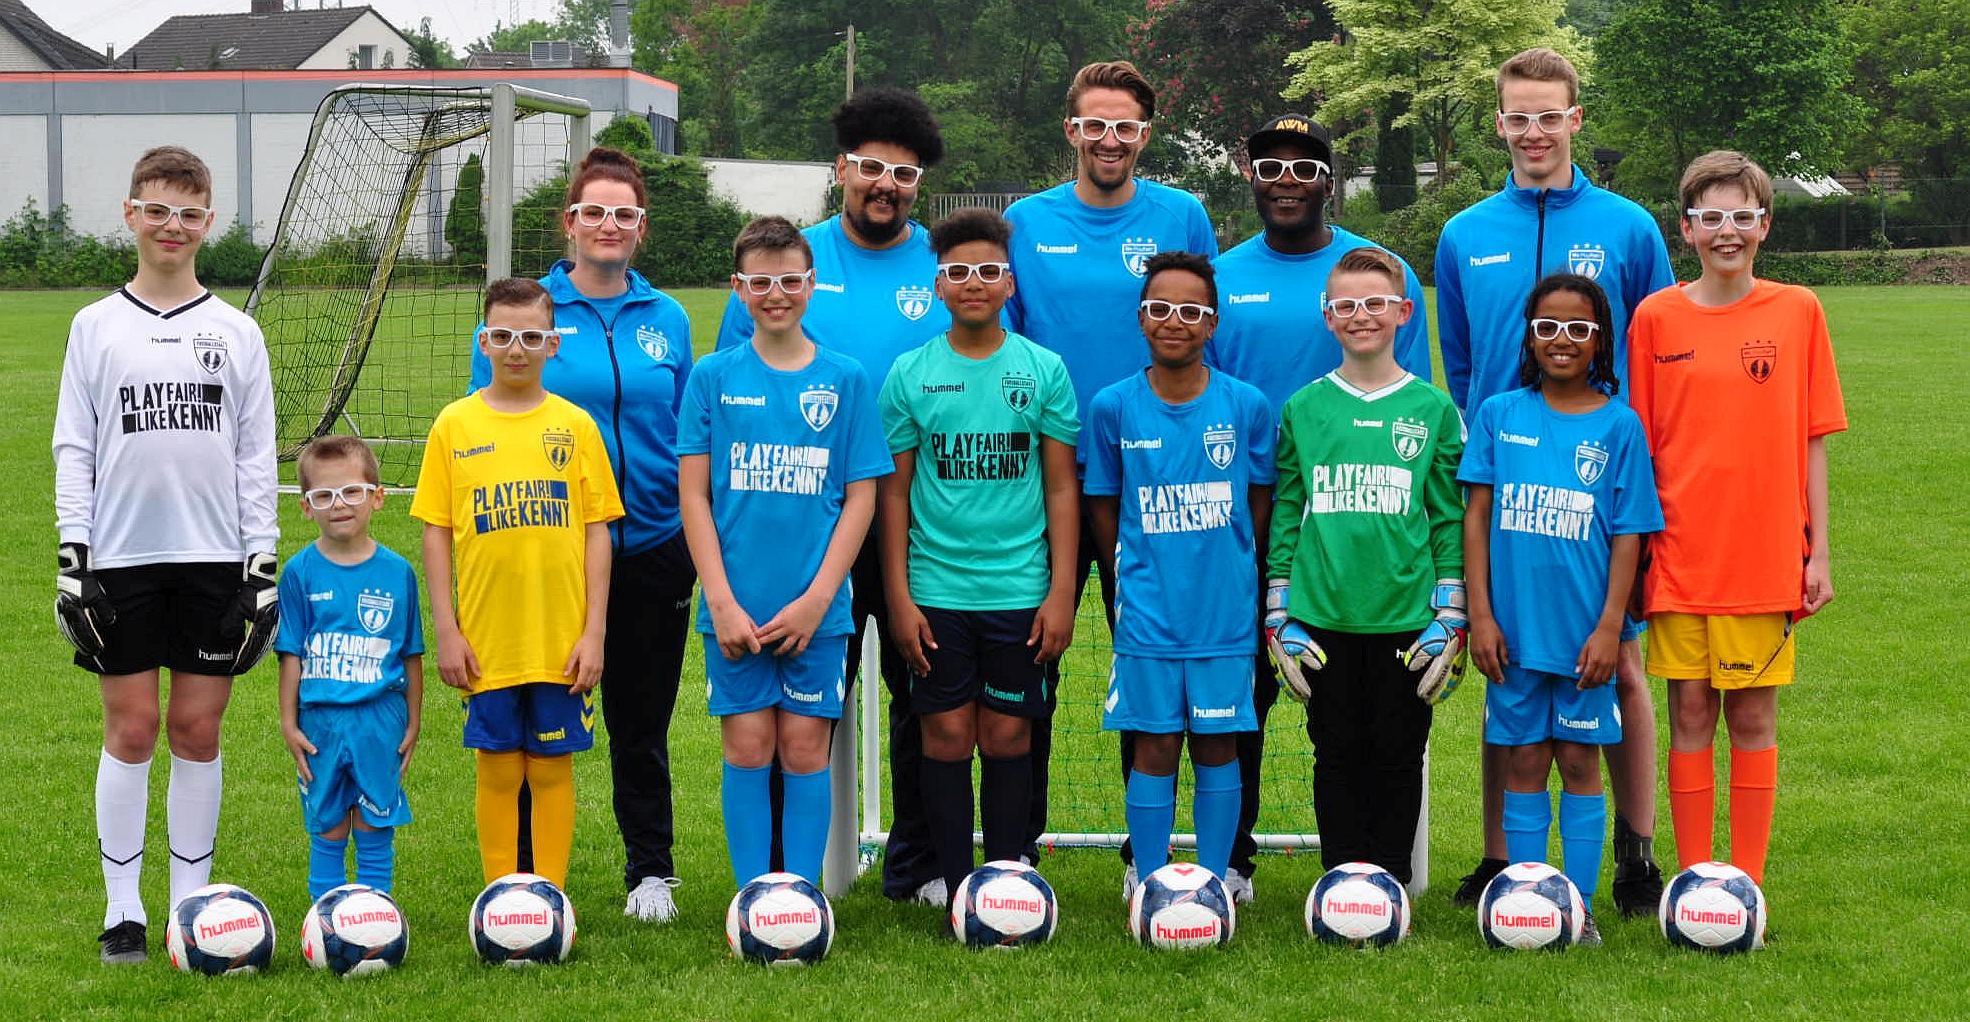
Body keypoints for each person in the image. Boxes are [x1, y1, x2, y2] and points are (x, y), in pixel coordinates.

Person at [1433, 47, 1676, 913]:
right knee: (1506, 669)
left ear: (1575, 119)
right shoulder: (1464, 234)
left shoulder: (1629, 227)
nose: (1533, 132)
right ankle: (1503, 859)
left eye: (1548, 116)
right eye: (1518, 117)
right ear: (1498, 124)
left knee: (1621, 664)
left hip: (1597, 485)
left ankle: (1635, 852)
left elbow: (1656, 347)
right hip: (1505, 485)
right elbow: (1464, 366)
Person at [713, 87, 950, 904]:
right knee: (792, 700)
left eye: (904, 174)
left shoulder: (941, 264)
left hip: (921, 521)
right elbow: (732, 396)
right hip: (806, 530)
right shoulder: (791, 261)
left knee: (921, 691)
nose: (887, 185)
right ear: (842, 168)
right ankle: (783, 880)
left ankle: (917, 865)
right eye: (872, 168)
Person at [53, 145, 278, 964]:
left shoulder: (237, 332)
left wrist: (261, 565)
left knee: (196, 729)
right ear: (131, 215)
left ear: (208, 223)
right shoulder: (95, 326)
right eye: (157, 210)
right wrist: (73, 555)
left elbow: (256, 455)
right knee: (133, 728)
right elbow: (74, 446)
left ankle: (192, 907)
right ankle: (124, 912)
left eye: (187, 213)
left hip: (215, 557)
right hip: (121, 556)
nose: (171, 226)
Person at [1201, 112, 1431, 903]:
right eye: (1272, 167)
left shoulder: (1380, 272)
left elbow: (1412, 412)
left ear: (1329, 181)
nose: (1288, 181)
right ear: (1251, 176)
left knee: (1371, 720)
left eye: (1305, 168)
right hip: (1242, 518)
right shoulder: (1224, 274)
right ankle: (1231, 861)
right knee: (1243, 697)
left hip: (1352, 533)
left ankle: (1382, 874)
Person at [472, 147, 696, 923]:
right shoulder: (531, 313)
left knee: (642, 721)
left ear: (642, 227)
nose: (609, 225)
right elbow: (486, 425)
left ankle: (651, 872)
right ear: (570, 222)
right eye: (594, 211)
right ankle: (523, 882)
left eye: (624, 214)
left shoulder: (668, 318)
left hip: (656, 545)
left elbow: (685, 431)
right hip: (551, 554)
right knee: (531, 718)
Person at [1003, 58, 1217, 870]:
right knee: (1034, 657)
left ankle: (1147, 854)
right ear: (1072, 129)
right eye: (1095, 124)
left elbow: (1204, 329)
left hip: (1155, 483)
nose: (1109, 139)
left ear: (1145, 135)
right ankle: (1018, 848)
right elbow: (1006, 352)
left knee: (1152, 662)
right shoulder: (1026, 221)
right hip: (1048, 482)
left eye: (1125, 126)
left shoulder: (1182, 214)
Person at [1628, 151, 1845, 887]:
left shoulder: (1797, 310)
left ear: (1765, 225)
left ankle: (1745, 886)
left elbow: (1812, 439)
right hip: (1679, 556)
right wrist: (1637, 555)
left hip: (1762, 555)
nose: (1728, 230)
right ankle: (1695, 887)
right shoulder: (1656, 317)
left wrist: (1818, 553)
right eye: (1712, 217)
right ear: (1686, 228)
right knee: (1690, 714)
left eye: (1742, 216)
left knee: (1752, 719)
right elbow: (1641, 447)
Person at [879, 208, 1079, 923]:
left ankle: (1006, 879)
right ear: (938, 285)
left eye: (989, 271)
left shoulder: (1043, 369)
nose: (974, 282)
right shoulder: (911, 373)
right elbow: (894, 494)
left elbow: (1062, 487)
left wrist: (1061, 590)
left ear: (1009, 283)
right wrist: (899, 598)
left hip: (1019, 589)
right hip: (936, 589)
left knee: (1007, 735)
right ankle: (959, 888)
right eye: (958, 271)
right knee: (945, 735)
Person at [679, 217, 891, 887]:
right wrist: (720, 600)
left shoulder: (845, 379)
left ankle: (800, 900)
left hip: (816, 611)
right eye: (761, 282)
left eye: (791, 281)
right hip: (735, 607)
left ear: (812, 284)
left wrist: (818, 600)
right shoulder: (712, 377)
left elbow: (861, 498)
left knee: (803, 749)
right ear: (738, 287)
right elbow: (694, 497)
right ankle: (753, 900)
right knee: (748, 746)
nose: (777, 294)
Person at [1460, 274, 1663, 947]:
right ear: (1529, 337)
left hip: (1584, 635)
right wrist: (1481, 615)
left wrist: (1610, 628)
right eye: (1547, 327)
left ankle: (1577, 907)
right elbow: (1476, 518)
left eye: (1579, 328)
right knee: (1523, 762)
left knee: (1578, 760)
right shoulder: (1499, 415)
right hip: (1514, 632)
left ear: (1600, 340)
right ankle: (1526, 900)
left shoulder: (1619, 424)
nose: (1562, 340)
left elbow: (1629, 533)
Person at [1265, 248, 1464, 887]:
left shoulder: (1432, 409)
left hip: (1406, 617)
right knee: (1335, 752)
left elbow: (1447, 517)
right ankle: (1342, 882)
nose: (1361, 316)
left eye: (1375, 304)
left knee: (1399, 754)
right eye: (1346, 305)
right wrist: (1278, 608)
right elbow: (1289, 508)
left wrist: (1451, 611)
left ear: (1403, 311)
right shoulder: (1304, 407)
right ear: (1327, 316)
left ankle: (1391, 884)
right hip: (1322, 616)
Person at [417, 278, 623, 891]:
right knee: (500, 770)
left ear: (552, 345)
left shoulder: (575, 426)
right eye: (503, 336)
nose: (516, 350)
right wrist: (447, 630)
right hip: (488, 639)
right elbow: (436, 532)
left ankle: (549, 899)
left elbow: (597, 532)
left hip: (560, 636)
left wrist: (594, 632)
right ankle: (500, 899)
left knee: (552, 769)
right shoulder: (454, 425)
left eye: (531, 338)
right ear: (483, 341)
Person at [1083, 252, 1273, 894]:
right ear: (1141, 318)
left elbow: (1258, 503)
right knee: (1155, 744)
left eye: (1191, 311)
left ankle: (1215, 882)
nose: (1175, 321)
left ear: (1212, 323)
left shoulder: (1245, 405)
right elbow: (1104, 505)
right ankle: (1150, 877)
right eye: (1160, 308)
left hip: (1223, 613)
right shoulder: (1113, 406)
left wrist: (1235, 566)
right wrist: (1130, 570)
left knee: (1219, 744)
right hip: (1148, 612)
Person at [275, 436, 424, 900]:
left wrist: (414, 721)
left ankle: (378, 920)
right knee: (329, 826)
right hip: (320, 721)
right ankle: (326, 921)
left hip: (380, 717)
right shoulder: (298, 572)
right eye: (324, 495)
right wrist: (289, 722)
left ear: (377, 497)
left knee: (375, 823)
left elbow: (411, 653)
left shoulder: (398, 572)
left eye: (351, 492)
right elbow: (290, 653)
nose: (339, 504)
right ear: (306, 507)